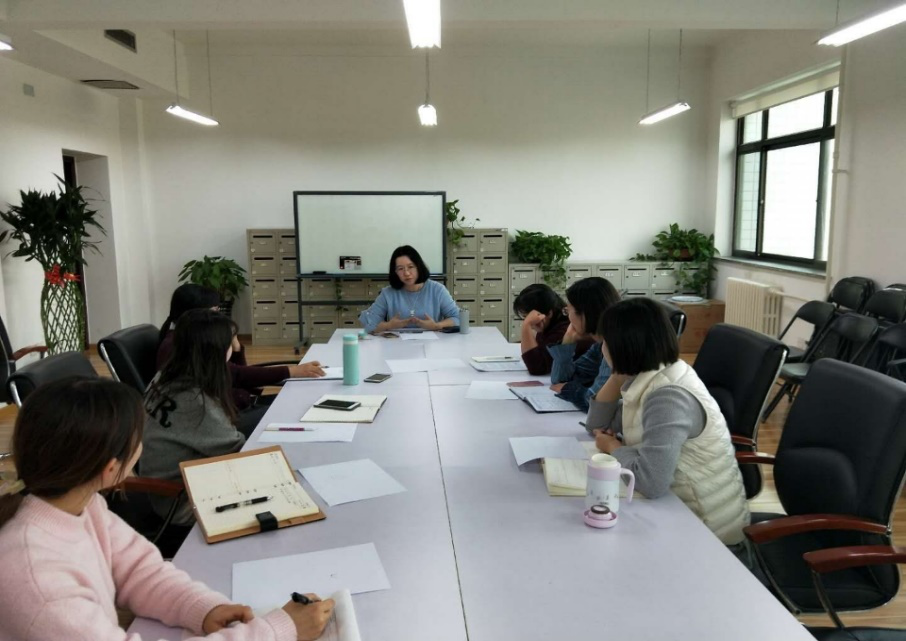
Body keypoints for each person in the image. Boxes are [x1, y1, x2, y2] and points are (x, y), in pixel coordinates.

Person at [0, 377, 334, 641]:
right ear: (111, 469)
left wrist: (200, 607)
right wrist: (277, 630)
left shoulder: (79, 505)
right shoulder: (38, 581)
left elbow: (138, 569)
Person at [586, 297, 749, 545]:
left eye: (606, 342)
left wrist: (613, 447)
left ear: (622, 346)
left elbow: (650, 481)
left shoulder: (668, 396)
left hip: (710, 535)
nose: (602, 348)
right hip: (677, 511)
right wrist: (617, 375)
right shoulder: (651, 376)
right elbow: (596, 425)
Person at [158, 284, 324, 434]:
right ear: (196, 314)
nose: (219, 315)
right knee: (295, 410)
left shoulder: (190, 340)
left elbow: (235, 377)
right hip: (224, 419)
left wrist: (236, 347)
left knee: (302, 404)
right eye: (214, 310)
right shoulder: (179, 347)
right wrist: (291, 371)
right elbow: (236, 374)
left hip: (235, 407)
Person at [144, 309, 248, 525]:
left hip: (173, 483)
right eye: (229, 343)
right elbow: (239, 451)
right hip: (184, 502)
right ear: (217, 352)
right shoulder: (195, 402)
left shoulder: (166, 375)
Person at [548, 277, 621, 411]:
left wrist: (568, 389)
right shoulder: (600, 345)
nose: (568, 317)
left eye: (568, 311)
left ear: (585, 314)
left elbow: (596, 400)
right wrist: (567, 340)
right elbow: (560, 380)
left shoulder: (617, 344)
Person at [359, 245, 459, 333]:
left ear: (419, 267)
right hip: (397, 345)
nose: (406, 273)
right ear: (395, 272)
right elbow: (368, 323)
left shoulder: (437, 290)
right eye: (400, 269)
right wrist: (389, 325)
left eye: (410, 267)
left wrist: (436, 326)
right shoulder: (388, 293)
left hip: (432, 345)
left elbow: (458, 318)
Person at [513, 283, 593, 375]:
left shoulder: (564, 329)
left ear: (549, 313)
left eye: (529, 318)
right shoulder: (549, 324)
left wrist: (525, 326)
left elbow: (537, 368)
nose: (530, 322)